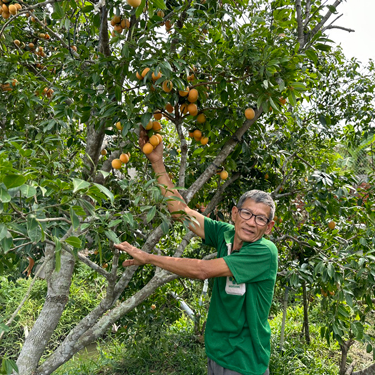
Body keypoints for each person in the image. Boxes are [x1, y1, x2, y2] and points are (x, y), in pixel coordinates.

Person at [114, 128, 278, 375]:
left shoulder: (264, 252)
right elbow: (181, 212)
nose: (251, 222)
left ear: (269, 227)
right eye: (246, 213)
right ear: (235, 214)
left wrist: (148, 257)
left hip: (245, 360)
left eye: (260, 219)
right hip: (217, 350)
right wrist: (158, 163)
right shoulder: (226, 234)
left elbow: (202, 270)